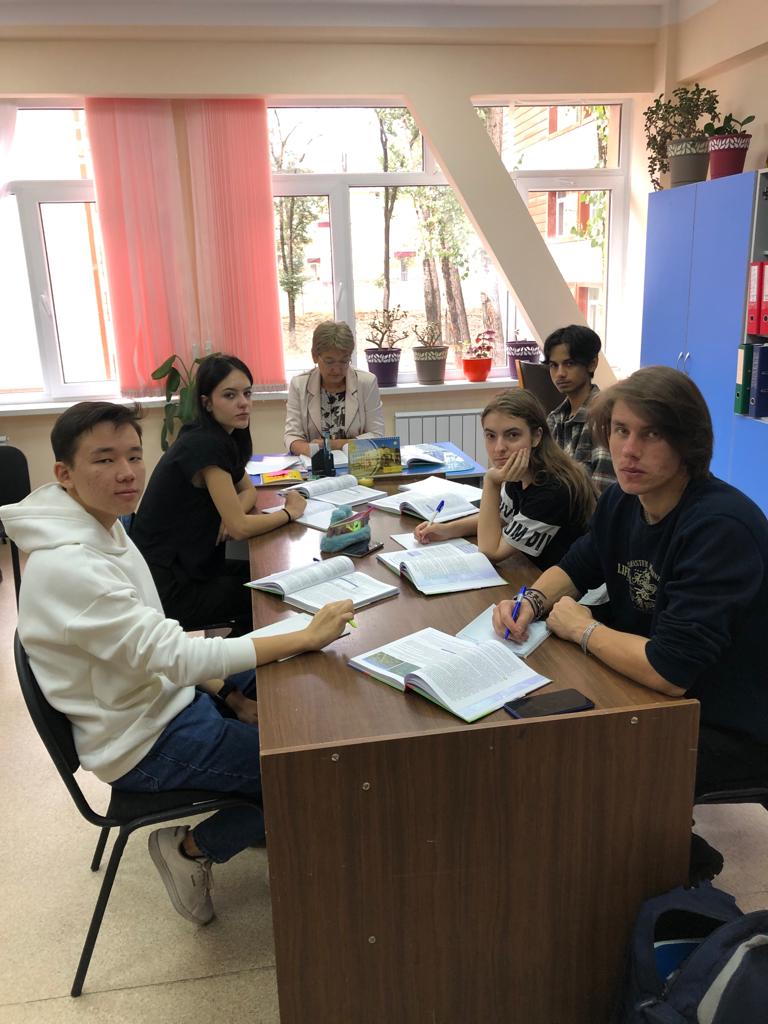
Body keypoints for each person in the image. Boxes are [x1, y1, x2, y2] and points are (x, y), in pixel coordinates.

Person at [1, 401, 353, 925]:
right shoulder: (71, 566)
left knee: (287, 675)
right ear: (64, 474)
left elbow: (161, 649)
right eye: (104, 459)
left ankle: (258, 807)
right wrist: (300, 635)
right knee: (308, 769)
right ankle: (191, 849)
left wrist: (230, 691)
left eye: (134, 455)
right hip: (144, 741)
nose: (126, 472)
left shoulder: (103, 526)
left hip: (164, 697)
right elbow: (178, 656)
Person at [493, 366, 768, 879]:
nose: (629, 451)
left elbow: (670, 671)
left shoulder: (720, 528)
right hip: (649, 685)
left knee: (586, 761)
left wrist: (582, 629)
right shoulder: (624, 499)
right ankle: (653, 849)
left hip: (727, 717)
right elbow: (579, 564)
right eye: (620, 431)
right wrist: (531, 600)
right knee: (534, 733)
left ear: (688, 444)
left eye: (652, 434)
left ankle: (673, 865)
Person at [131, 354, 305, 636]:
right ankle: (236, 662)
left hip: (191, 567)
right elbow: (240, 528)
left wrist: (232, 512)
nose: (243, 402)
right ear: (207, 402)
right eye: (229, 395)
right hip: (169, 587)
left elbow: (247, 491)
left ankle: (239, 655)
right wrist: (289, 513)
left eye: (247, 393)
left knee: (270, 576)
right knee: (271, 594)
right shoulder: (204, 444)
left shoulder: (222, 435)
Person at [415, 390, 595, 570]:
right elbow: (501, 518)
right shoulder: (519, 471)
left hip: (570, 584)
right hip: (534, 570)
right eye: (491, 436)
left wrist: (491, 482)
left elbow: (490, 552)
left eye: (512, 435)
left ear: (536, 437)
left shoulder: (553, 488)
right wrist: (446, 529)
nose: (499, 448)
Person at [284, 320, 385, 456]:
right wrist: (313, 452)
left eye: (344, 361)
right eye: (329, 361)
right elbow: (292, 436)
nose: (337, 369)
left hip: (357, 463)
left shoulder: (366, 383)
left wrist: (332, 445)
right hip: (315, 464)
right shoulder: (299, 385)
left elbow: (377, 435)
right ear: (315, 356)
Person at [543, 324, 615, 494]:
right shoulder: (555, 418)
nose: (560, 373)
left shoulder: (603, 417)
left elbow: (602, 494)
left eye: (569, 364)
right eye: (554, 365)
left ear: (592, 364)